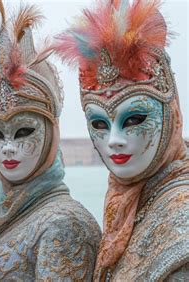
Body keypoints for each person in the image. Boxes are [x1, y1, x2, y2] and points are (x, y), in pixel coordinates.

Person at [0, 1, 101, 281]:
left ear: (50, 133)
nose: (8, 148)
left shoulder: (64, 225)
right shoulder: (1, 218)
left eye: (24, 131)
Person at [53, 0, 189, 280]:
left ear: (169, 116)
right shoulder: (126, 204)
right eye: (99, 124)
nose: (113, 140)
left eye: (134, 119)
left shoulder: (181, 209)